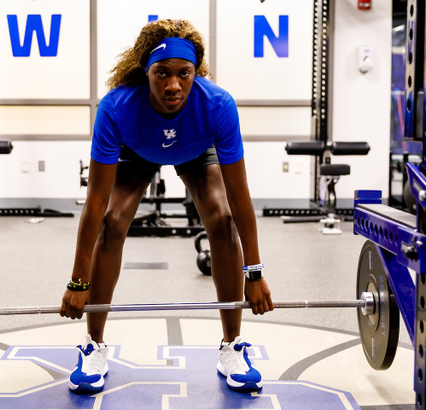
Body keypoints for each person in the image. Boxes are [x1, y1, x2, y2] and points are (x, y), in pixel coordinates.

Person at [60, 19, 274, 395]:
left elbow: (240, 197)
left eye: (184, 73)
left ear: (196, 72)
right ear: (146, 71)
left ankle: (232, 345)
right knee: (113, 221)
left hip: (195, 148)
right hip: (136, 149)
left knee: (222, 218)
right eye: (162, 73)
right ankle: (93, 344)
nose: (173, 84)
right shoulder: (117, 107)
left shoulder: (218, 105)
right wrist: (78, 282)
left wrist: (253, 275)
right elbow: (94, 203)